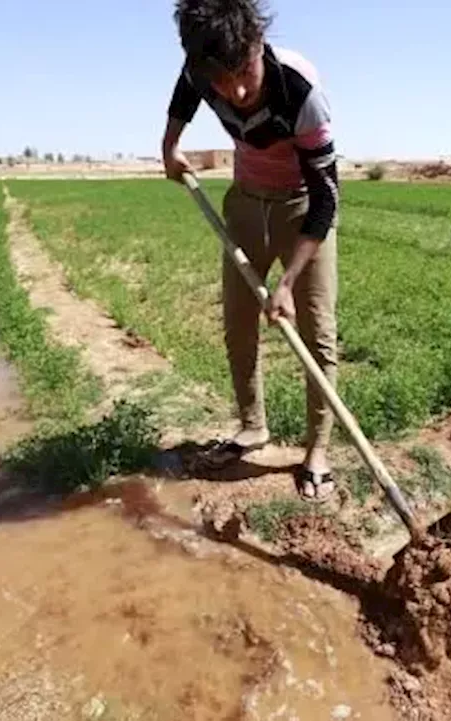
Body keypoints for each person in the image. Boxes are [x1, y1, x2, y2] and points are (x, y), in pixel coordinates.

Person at [161, 0, 341, 501]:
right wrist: (170, 142)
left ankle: (318, 449)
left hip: (301, 208)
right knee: (239, 325)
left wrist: (286, 283)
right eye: (222, 80)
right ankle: (251, 426)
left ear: (258, 45)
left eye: (244, 71)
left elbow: (327, 197)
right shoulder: (205, 68)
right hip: (244, 204)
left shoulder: (300, 92)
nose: (236, 91)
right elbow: (185, 90)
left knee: (316, 334)